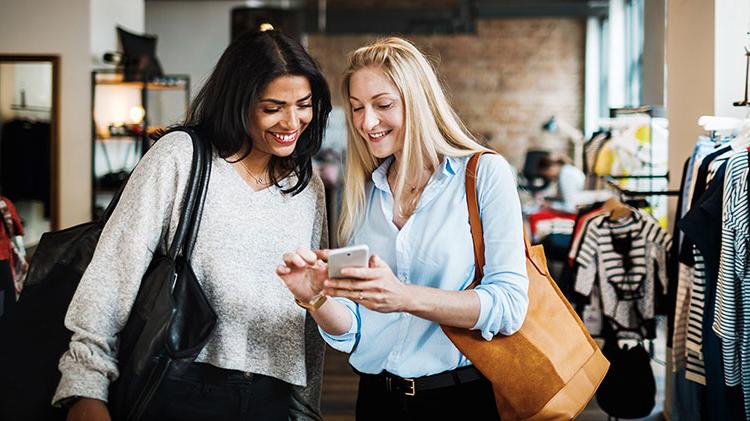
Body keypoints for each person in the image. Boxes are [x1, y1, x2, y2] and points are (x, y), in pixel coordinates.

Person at [53, 29, 332, 420]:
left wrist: (306, 408)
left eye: (304, 104)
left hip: (271, 397)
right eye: (273, 108)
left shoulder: (306, 185)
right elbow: (114, 270)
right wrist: (86, 386)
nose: (293, 121)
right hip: (181, 385)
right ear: (238, 103)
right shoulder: (181, 158)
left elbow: (307, 306)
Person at [277, 37, 528, 420]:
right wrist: (315, 299)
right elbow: (354, 329)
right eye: (358, 108)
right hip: (378, 400)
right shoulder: (362, 189)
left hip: (460, 399)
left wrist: (404, 296)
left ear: (418, 102)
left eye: (383, 105)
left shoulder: (482, 174)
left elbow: (509, 306)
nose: (367, 122)